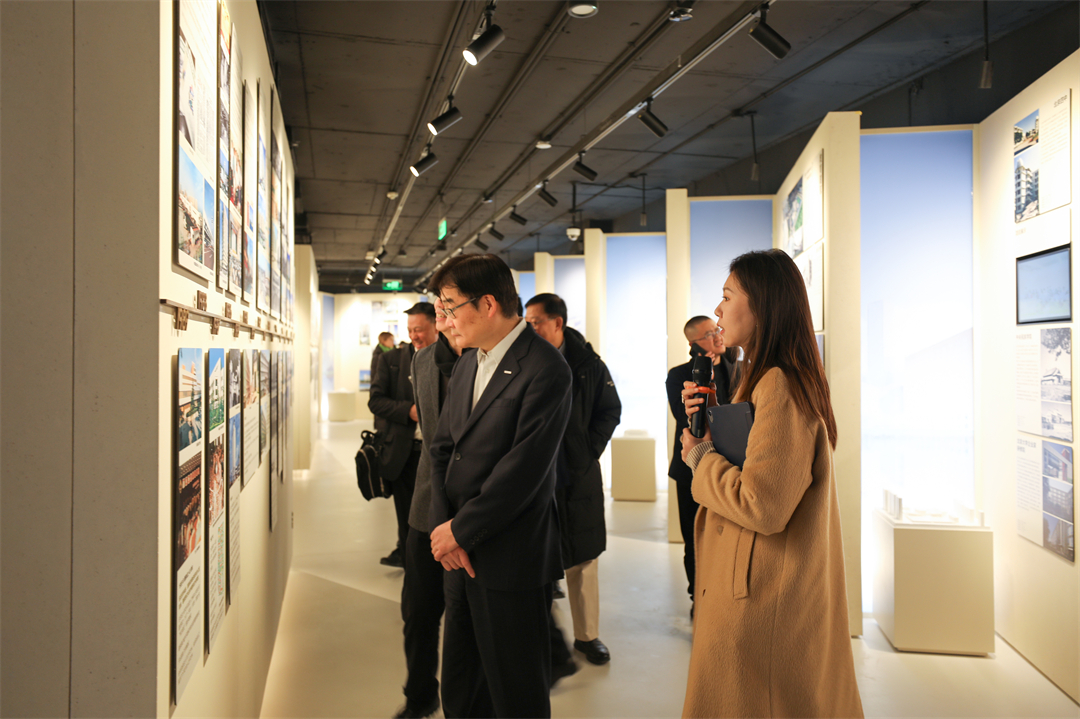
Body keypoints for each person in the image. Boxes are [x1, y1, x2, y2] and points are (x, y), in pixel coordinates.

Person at [679, 249, 863, 718]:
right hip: (757, 584)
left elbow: (762, 504)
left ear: (762, 304)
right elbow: (758, 461)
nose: (717, 310)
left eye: (727, 297)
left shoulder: (778, 384)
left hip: (761, 597)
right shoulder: (764, 377)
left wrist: (699, 456)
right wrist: (711, 418)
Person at [428, 254, 571, 718]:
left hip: (510, 557)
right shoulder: (469, 362)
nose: (446, 321)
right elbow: (442, 450)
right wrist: (445, 530)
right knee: (461, 689)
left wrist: (459, 531)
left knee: (516, 694)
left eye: (451, 307)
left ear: (487, 304)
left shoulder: (545, 368)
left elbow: (523, 472)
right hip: (459, 554)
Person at [524, 293, 621, 667]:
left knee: (583, 558)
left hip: (577, 475)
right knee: (535, 558)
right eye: (527, 322)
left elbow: (609, 411)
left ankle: (587, 636)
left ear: (557, 322)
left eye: (535, 322)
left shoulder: (588, 365)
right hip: (533, 476)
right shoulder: (523, 361)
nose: (530, 328)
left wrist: (586, 450)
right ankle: (539, 639)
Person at [394, 299, 463, 719]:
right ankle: (420, 696)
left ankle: (463, 703)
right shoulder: (421, 361)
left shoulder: (488, 360)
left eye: (449, 307)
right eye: (440, 308)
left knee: (465, 620)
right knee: (418, 613)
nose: (444, 317)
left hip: (472, 514)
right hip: (425, 508)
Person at [665, 316, 738, 609]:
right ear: (693, 343)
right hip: (690, 468)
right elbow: (684, 416)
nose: (717, 335)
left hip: (730, 467)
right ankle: (698, 598)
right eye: (709, 334)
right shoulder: (679, 375)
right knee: (694, 537)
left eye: (717, 330)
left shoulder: (738, 368)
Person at [369, 304, 437, 569]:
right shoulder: (392, 360)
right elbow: (376, 401)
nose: (413, 336)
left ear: (436, 325)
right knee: (407, 517)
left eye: (419, 329)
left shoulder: (452, 359)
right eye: (410, 330)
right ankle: (410, 565)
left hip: (438, 454)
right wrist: (408, 411)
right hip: (404, 453)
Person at [371, 331, 396, 432]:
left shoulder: (391, 353)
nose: (393, 342)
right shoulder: (379, 356)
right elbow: (377, 376)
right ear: (383, 341)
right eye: (391, 340)